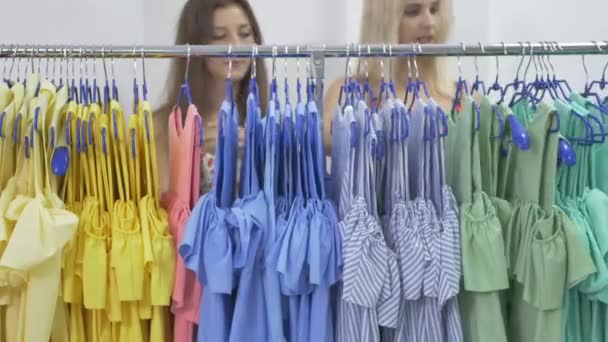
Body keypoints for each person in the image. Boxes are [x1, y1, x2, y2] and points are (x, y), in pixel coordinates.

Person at [156, 0, 268, 194]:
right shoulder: (162, 126)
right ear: (194, 45)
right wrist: (192, 155)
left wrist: (257, 151)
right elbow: (161, 209)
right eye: (218, 36)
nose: (236, 46)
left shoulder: (267, 122)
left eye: (245, 34)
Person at [323, 0, 454, 147]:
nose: (429, 22)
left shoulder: (463, 96)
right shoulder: (347, 92)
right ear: (383, 22)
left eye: (434, 9)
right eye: (412, 11)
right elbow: (325, 141)